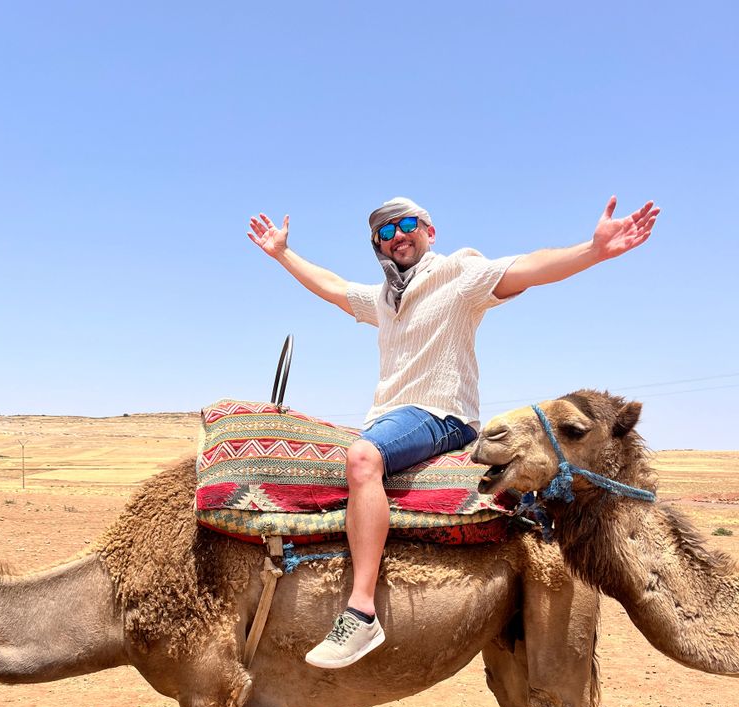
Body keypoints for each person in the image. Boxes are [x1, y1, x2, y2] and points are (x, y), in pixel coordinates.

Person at [248, 195, 659, 669]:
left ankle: (361, 611)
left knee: (363, 459)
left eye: (406, 224)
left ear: (429, 230)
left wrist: (593, 250)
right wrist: (282, 254)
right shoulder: (385, 297)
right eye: (384, 232)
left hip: (441, 414)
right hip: (390, 416)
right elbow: (335, 287)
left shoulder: (458, 274)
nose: (396, 235)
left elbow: (525, 268)